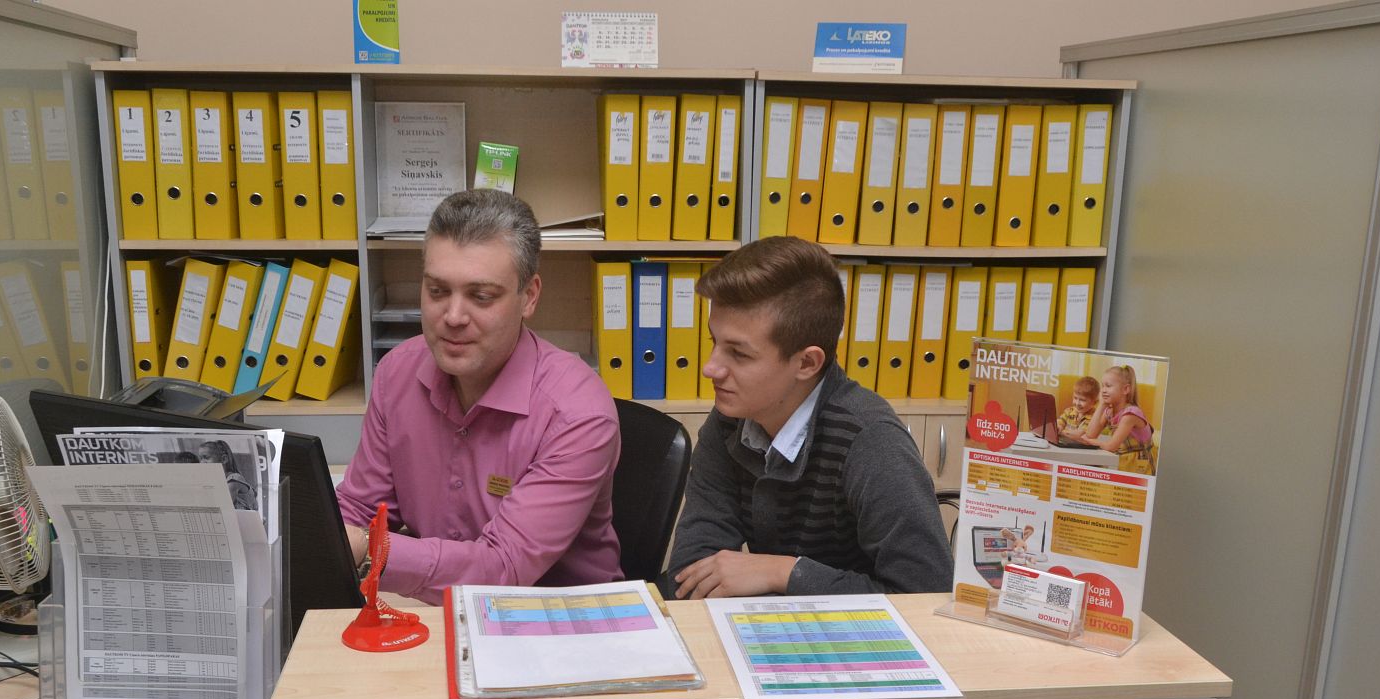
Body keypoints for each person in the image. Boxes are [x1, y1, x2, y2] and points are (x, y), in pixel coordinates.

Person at [336, 189, 622, 605]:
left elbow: (503, 568)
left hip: (563, 619)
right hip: (441, 609)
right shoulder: (397, 373)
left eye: (481, 296)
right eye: (437, 291)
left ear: (529, 296)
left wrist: (370, 550)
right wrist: (323, 534)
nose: (453, 317)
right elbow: (360, 509)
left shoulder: (577, 412)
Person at [668, 236, 953, 599]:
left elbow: (926, 592)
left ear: (806, 363)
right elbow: (693, 573)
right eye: (714, 342)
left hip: (867, 633)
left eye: (738, 354)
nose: (711, 368)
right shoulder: (732, 419)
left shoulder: (871, 441)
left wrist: (784, 572)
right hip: (781, 626)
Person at [1061, 363, 1157, 473]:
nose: (1103, 390)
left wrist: (1092, 442)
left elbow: (1111, 446)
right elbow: (1091, 434)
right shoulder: (1109, 411)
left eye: (1108, 386)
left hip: (1140, 466)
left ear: (1125, 389)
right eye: (1103, 386)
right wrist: (1102, 405)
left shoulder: (1131, 414)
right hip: (1123, 462)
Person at [197, 439, 258, 511]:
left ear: (224, 459)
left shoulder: (234, 479)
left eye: (206, 458)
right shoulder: (216, 481)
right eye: (200, 459)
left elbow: (222, 508)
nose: (202, 463)